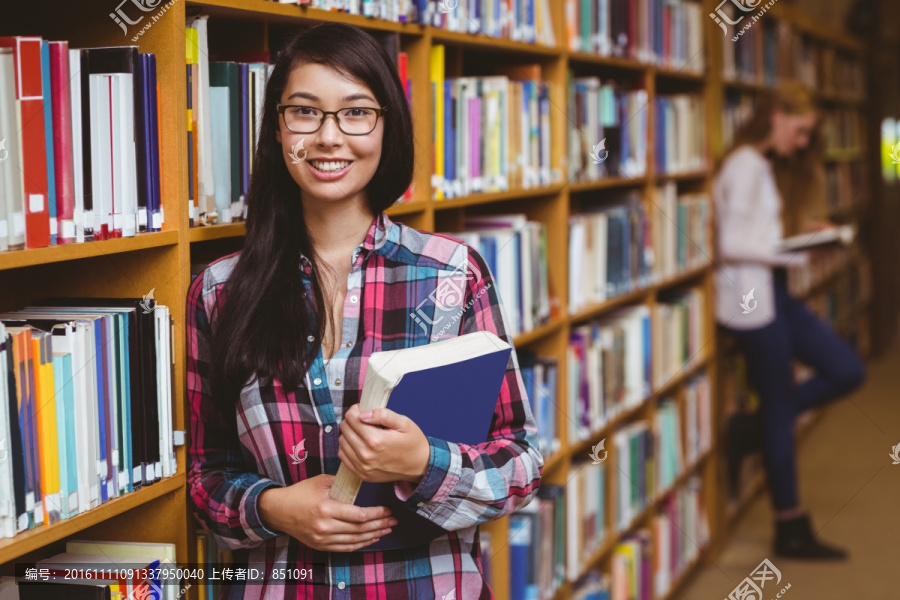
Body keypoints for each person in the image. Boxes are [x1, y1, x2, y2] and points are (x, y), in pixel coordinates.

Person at [186, 23, 543, 599]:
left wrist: (424, 461)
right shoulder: (219, 291)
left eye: (356, 113)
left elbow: (521, 467)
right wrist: (273, 507)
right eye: (305, 112)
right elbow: (202, 475)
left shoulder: (453, 273)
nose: (329, 137)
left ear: (386, 128)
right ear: (279, 130)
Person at [714, 82, 865, 560]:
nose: (801, 143)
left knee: (846, 369)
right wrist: (792, 253)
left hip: (772, 290)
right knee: (782, 405)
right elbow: (731, 244)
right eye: (800, 131)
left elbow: (755, 231)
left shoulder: (760, 166)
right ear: (776, 115)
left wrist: (803, 234)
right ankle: (790, 526)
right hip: (751, 298)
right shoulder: (744, 166)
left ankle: (749, 430)